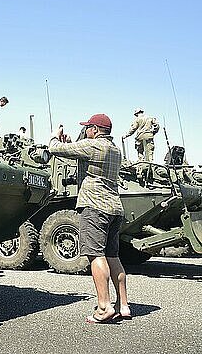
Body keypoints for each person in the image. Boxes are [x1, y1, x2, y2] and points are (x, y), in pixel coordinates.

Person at [48, 115, 131, 324]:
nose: (86, 131)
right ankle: (123, 305)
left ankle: (104, 307)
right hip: (115, 208)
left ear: (95, 129)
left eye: (87, 128)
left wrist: (55, 137)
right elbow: (78, 155)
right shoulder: (115, 150)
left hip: (95, 207)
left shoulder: (93, 145)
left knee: (96, 255)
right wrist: (72, 144)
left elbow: (54, 149)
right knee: (113, 257)